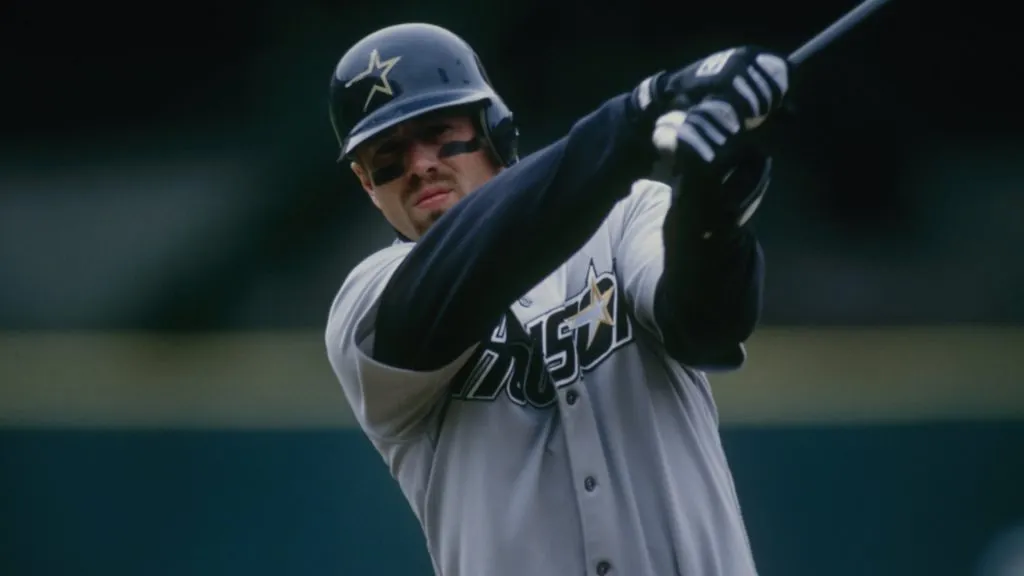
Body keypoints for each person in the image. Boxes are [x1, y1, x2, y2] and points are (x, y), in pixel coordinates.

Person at [324, 21, 789, 576]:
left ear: (494, 127)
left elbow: (705, 325)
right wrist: (642, 112)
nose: (421, 163)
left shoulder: (627, 214)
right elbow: (469, 265)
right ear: (365, 182)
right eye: (389, 153)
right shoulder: (367, 306)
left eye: (439, 131)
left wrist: (709, 219)